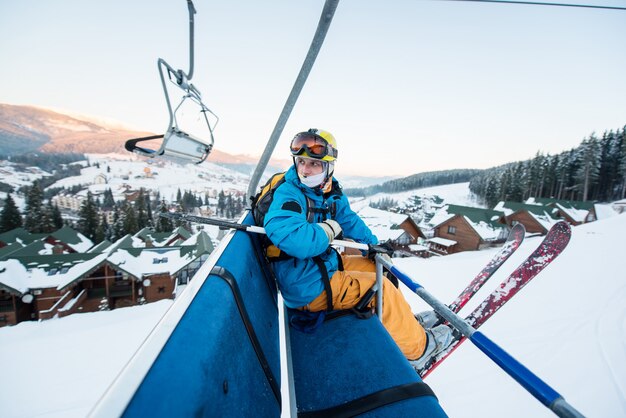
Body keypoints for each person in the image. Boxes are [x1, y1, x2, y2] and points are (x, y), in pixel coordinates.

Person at [263, 128, 451, 369]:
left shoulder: (326, 191)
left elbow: (349, 220)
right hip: (306, 286)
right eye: (301, 162)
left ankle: (406, 325)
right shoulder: (290, 193)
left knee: (380, 268)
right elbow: (292, 238)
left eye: (313, 164)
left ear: (329, 167)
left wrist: (374, 247)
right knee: (380, 287)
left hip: (317, 267)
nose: (305, 170)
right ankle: (419, 349)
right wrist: (329, 229)